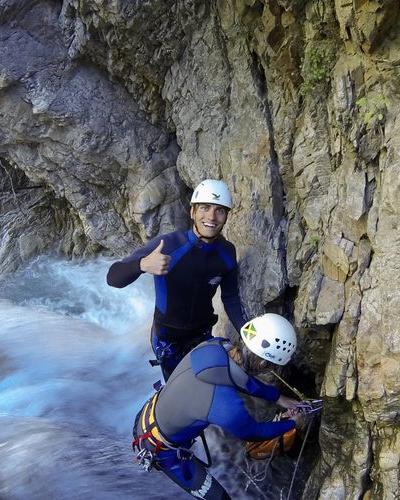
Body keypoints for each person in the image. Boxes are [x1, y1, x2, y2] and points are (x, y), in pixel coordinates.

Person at [132, 313, 305, 499]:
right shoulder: (227, 406)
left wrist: (278, 397)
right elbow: (255, 433)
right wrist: (293, 423)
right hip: (158, 449)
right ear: (263, 363)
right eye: (271, 367)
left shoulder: (215, 345)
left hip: (149, 413)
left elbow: (241, 379)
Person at [107, 179, 247, 380]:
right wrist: (142, 265)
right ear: (192, 212)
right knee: (178, 387)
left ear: (226, 217)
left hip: (202, 334)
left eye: (219, 210)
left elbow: (231, 296)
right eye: (205, 208)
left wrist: (246, 332)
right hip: (168, 340)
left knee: (208, 383)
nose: (211, 217)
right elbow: (114, 277)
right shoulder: (169, 245)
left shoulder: (227, 253)